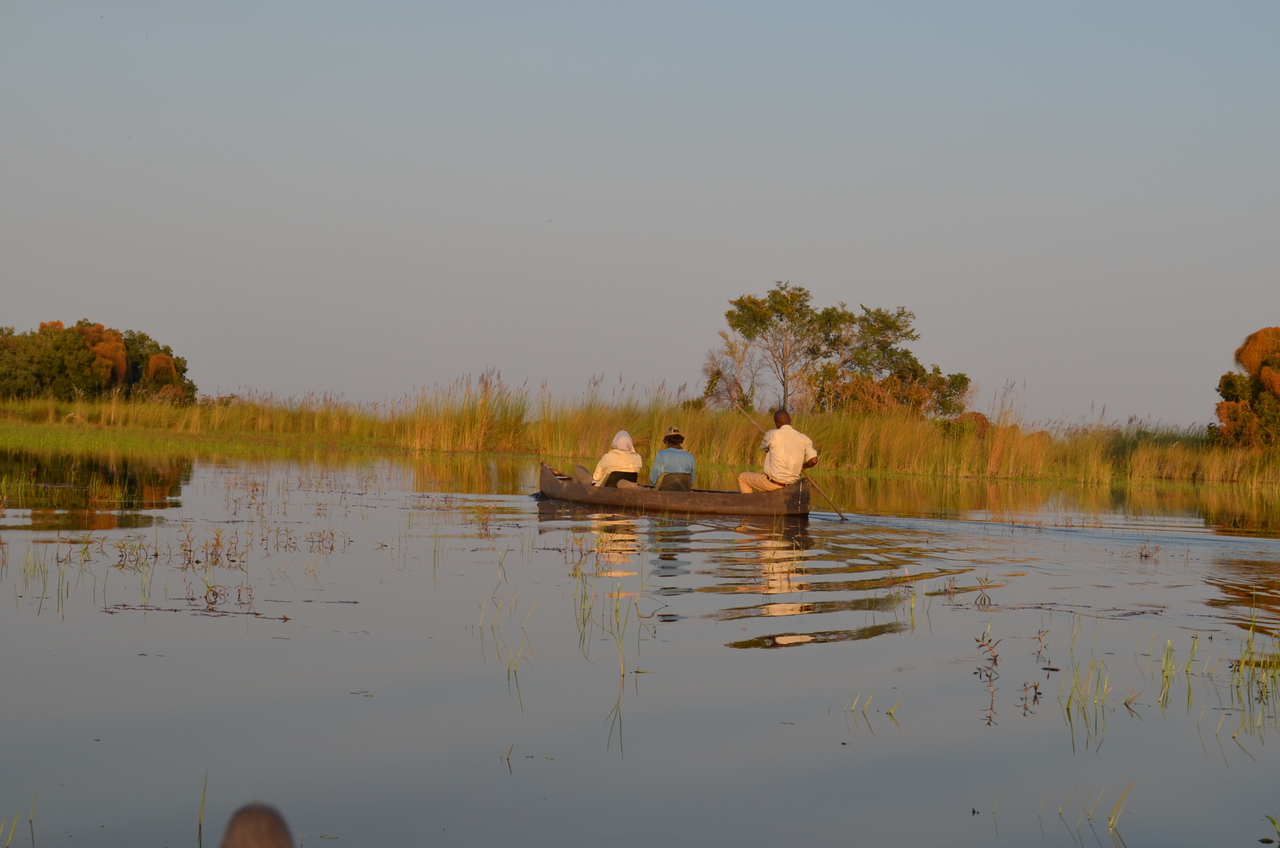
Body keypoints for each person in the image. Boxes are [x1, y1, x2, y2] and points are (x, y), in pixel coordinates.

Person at [737, 409, 817, 493]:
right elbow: (814, 460)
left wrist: (769, 448)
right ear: (790, 420)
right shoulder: (803, 438)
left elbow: (763, 448)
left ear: (777, 424)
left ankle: (749, 504)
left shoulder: (771, 434)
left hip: (773, 484)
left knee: (742, 477)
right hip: (792, 485)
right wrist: (804, 466)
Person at [573, 430, 643, 486]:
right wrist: (632, 449)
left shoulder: (608, 457)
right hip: (623, 492)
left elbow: (596, 477)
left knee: (578, 468)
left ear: (615, 442)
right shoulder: (638, 458)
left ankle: (573, 495)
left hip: (602, 490)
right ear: (630, 443)